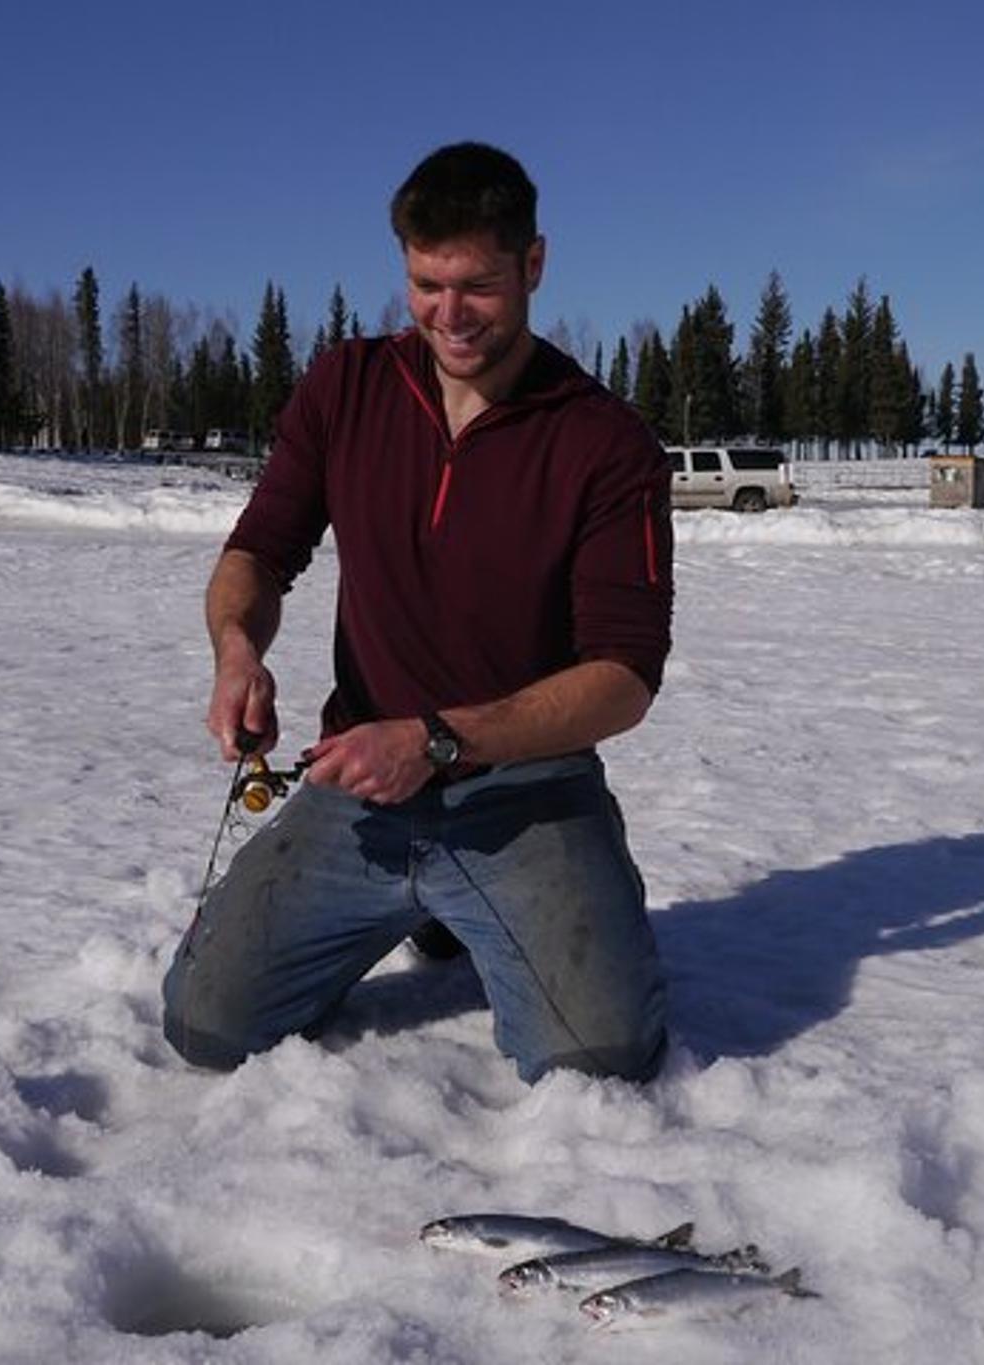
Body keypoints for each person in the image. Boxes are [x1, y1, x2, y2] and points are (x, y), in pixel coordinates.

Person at [161, 142, 674, 1084]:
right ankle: (431, 905)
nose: (449, 315)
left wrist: (438, 741)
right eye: (426, 284)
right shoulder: (347, 388)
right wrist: (237, 649)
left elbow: (624, 677)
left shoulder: (605, 441)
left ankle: (539, 895)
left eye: (477, 285)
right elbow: (258, 552)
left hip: (526, 794)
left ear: (533, 265)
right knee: (206, 1025)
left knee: (598, 1060)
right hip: (359, 787)